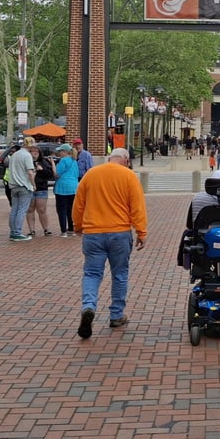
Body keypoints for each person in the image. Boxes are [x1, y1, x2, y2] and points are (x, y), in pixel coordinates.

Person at [71, 147, 147, 339]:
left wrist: (77, 226)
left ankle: (88, 306)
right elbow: (137, 206)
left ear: (110, 158)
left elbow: (78, 204)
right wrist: (141, 231)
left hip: (93, 232)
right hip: (119, 232)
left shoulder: (91, 174)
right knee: (120, 274)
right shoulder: (129, 176)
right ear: (126, 160)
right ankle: (116, 314)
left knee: (92, 273)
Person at [6, 140, 35, 241]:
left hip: (13, 185)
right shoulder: (27, 156)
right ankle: (17, 232)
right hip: (24, 185)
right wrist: (33, 184)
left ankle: (13, 231)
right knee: (22, 210)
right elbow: (30, 172)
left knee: (14, 209)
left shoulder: (14, 155)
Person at [25, 144, 54, 236]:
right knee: (30, 209)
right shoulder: (26, 162)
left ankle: (46, 229)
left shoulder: (43, 162)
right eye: (32, 152)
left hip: (41, 188)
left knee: (41, 209)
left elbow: (50, 174)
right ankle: (32, 230)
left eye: (36, 152)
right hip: (29, 188)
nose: (34, 154)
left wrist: (41, 170)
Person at [52, 143, 79, 237]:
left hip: (62, 188)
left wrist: (52, 164)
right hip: (74, 187)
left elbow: (56, 174)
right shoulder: (74, 160)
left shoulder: (63, 161)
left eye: (60, 151)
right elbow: (77, 174)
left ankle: (63, 231)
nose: (59, 153)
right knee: (70, 209)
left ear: (64, 152)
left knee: (61, 210)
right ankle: (71, 229)